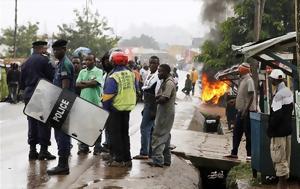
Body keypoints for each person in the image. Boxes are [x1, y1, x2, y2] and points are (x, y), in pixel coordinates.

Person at [20, 40, 56, 161]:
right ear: (41, 48)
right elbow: (53, 76)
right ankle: (43, 151)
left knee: (32, 122)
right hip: (42, 92)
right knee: (44, 122)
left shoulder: (26, 62)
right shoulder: (45, 60)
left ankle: (32, 150)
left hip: (29, 94)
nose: (46, 50)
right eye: (45, 48)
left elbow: (22, 81)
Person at [102, 51, 137, 167]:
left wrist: (105, 111)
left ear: (113, 61)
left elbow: (107, 96)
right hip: (127, 108)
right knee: (124, 134)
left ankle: (118, 159)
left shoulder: (113, 76)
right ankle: (127, 159)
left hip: (115, 108)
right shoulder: (131, 74)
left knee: (115, 135)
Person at [47, 39, 74, 175]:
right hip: (61, 102)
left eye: (57, 50)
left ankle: (63, 165)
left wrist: (60, 106)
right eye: (54, 50)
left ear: (64, 49)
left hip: (63, 103)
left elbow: (65, 88)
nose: (55, 52)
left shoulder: (65, 65)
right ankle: (62, 163)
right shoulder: (60, 64)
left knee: (62, 134)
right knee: (60, 134)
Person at [268, 69, 293, 189]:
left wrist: (270, 129)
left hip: (278, 133)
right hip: (287, 131)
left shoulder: (278, 95)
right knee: (285, 159)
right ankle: (285, 186)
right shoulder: (288, 91)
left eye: (271, 78)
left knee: (279, 159)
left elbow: (276, 116)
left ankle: (282, 186)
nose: (270, 80)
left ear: (274, 80)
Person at [225, 62, 256, 161]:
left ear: (243, 70)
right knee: (236, 132)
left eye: (239, 69)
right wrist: (235, 101)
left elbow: (251, 96)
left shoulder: (249, 80)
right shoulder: (242, 80)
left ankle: (249, 155)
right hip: (241, 111)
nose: (238, 71)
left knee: (248, 134)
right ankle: (234, 153)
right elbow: (243, 96)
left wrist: (245, 110)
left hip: (247, 112)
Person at [148, 64, 176, 167]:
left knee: (158, 135)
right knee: (166, 136)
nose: (158, 73)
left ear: (166, 72)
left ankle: (158, 160)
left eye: (160, 72)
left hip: (165, 113)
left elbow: (164, 98)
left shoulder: (169, 83)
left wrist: (156, 99)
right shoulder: (165, 81)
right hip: (165, 112)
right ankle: (167, 160)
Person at [76, 53, 104, 155]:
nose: (87, 62)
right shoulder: (82, 71)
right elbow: (77, 84)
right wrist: (89, 82)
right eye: (86, 60)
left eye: (89, 60)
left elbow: (95, 83)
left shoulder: (99, 71)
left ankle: (97, 147)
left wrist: (85, 83)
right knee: (84, 125)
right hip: (83, 102)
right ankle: (84, 147)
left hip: (95, 102)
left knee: (96, 126)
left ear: (94, 61)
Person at [133, 56, 160, 160]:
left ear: (158, 64)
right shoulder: (150, 74)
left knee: (144, 128)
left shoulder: (157, 76)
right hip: (147, 104)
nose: (152, 65)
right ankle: (150, 152)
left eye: (154, 63)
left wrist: (153, 109)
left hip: (152, 105)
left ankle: (144, 152)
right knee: (150, 129)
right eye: (151, 63)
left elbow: (155, 93)